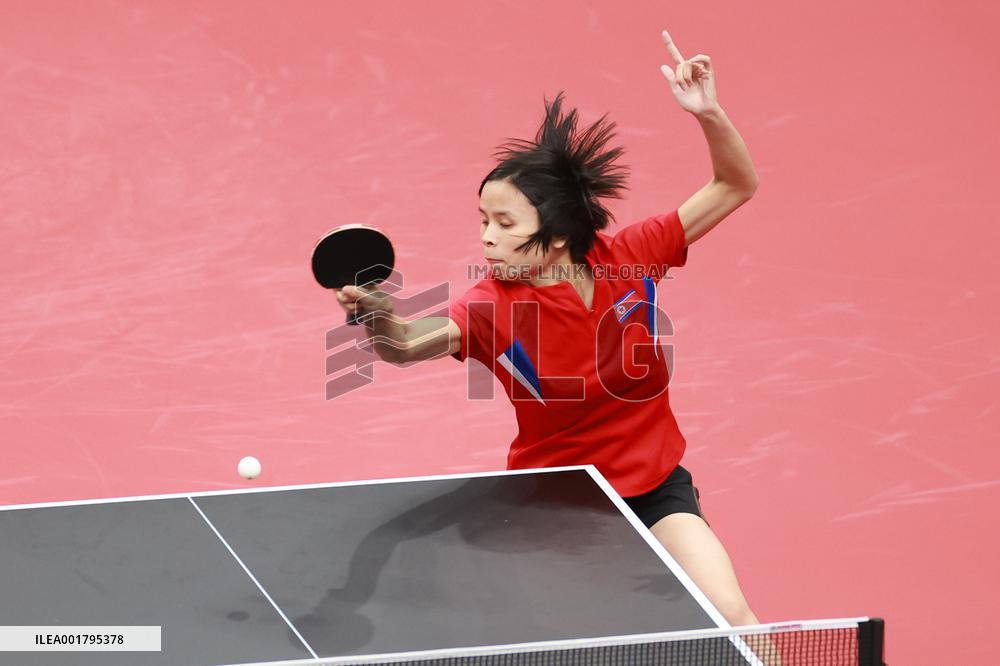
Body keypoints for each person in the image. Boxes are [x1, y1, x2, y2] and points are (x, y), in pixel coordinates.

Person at [336, 29, 763, 630]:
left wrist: (709, 113)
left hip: (656, 487)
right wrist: (374, 315)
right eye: (482, 219)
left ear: (558, 235)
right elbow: (405, 345)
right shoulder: (492, 307)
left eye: (505, 222)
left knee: (733, 617)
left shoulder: (631, 258)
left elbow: (734, 185)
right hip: (555, 506)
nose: (486, 235)